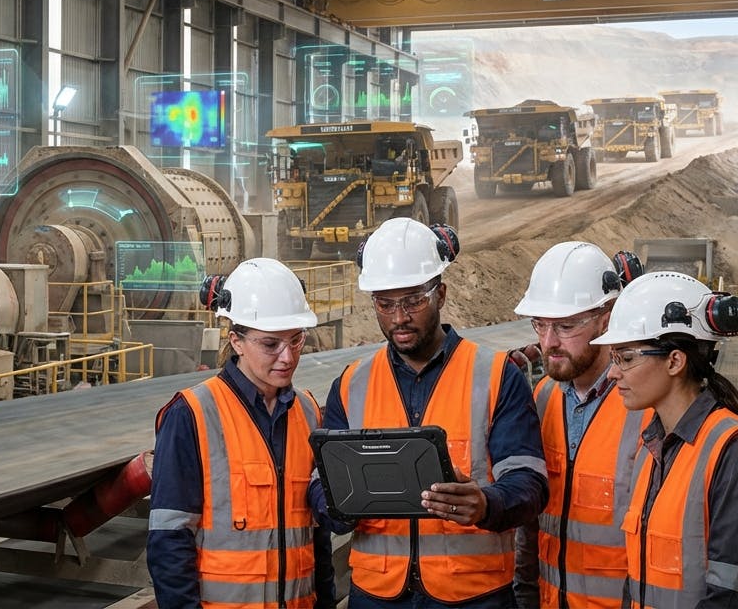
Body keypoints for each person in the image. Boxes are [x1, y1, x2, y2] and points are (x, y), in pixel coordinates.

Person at [317, 218, 548, 609]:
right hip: (376, 595)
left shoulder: (495, 377)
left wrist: (486, 503)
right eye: (385, 304)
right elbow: (320, 484)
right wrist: (337, 510)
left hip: (473, 596)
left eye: (413, 301)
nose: (399, 317)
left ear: (440, 294)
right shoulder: (352, 384)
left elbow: (530, 483)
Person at [591, 272, 738, 608]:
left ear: (674, 361)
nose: (613, 373)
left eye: (625, 358)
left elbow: (732, 600)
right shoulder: (655, 446)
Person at [149, 257, 335, 608]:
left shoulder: (308, 413)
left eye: (296, 341)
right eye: (270, 344)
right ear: (236, 340)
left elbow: (317, 539)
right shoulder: (192, 415)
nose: (287, 357)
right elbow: (169, 542)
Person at [510, 242, 647, 609]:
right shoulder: (542, 399)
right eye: (540, 324)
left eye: (566, 326)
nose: (548, 342)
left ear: (607, 316)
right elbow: (531, 523)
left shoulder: (645, 404)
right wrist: (525, 595)